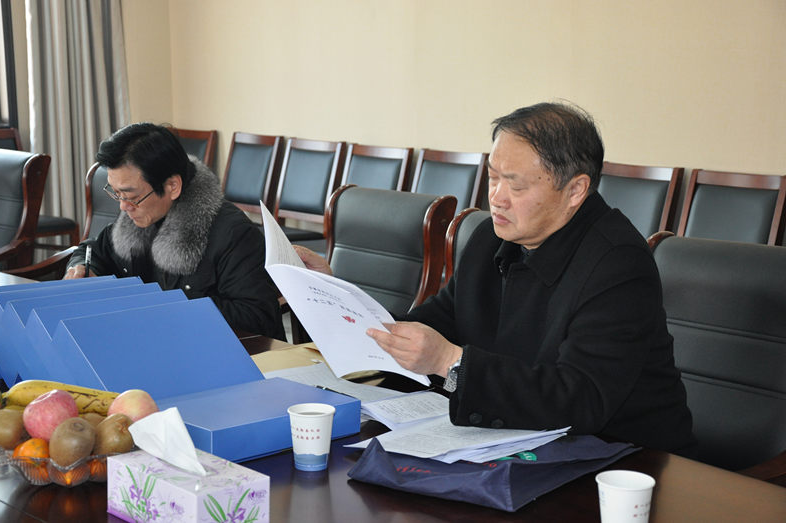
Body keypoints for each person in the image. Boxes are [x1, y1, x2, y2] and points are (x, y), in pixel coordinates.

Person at [296, 102, 695, 453]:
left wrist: (450, 361)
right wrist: (336, 296)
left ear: (575, 190)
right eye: (492, 177)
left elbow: (581, 398)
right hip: (516, 440)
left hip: (622, 460)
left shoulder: (618, 264)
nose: (497, 197)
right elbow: (433, 324)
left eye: (514, 185)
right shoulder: (491, 237)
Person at [65, 123, 285, 339]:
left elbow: (257, 319)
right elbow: (91, 250)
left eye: (131, 196)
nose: (123, 206)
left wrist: (168, 305)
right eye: (116, 193)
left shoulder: (233, 234)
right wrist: (81, 267)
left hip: (219, 350)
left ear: (172, 186)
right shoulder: (140, 214)